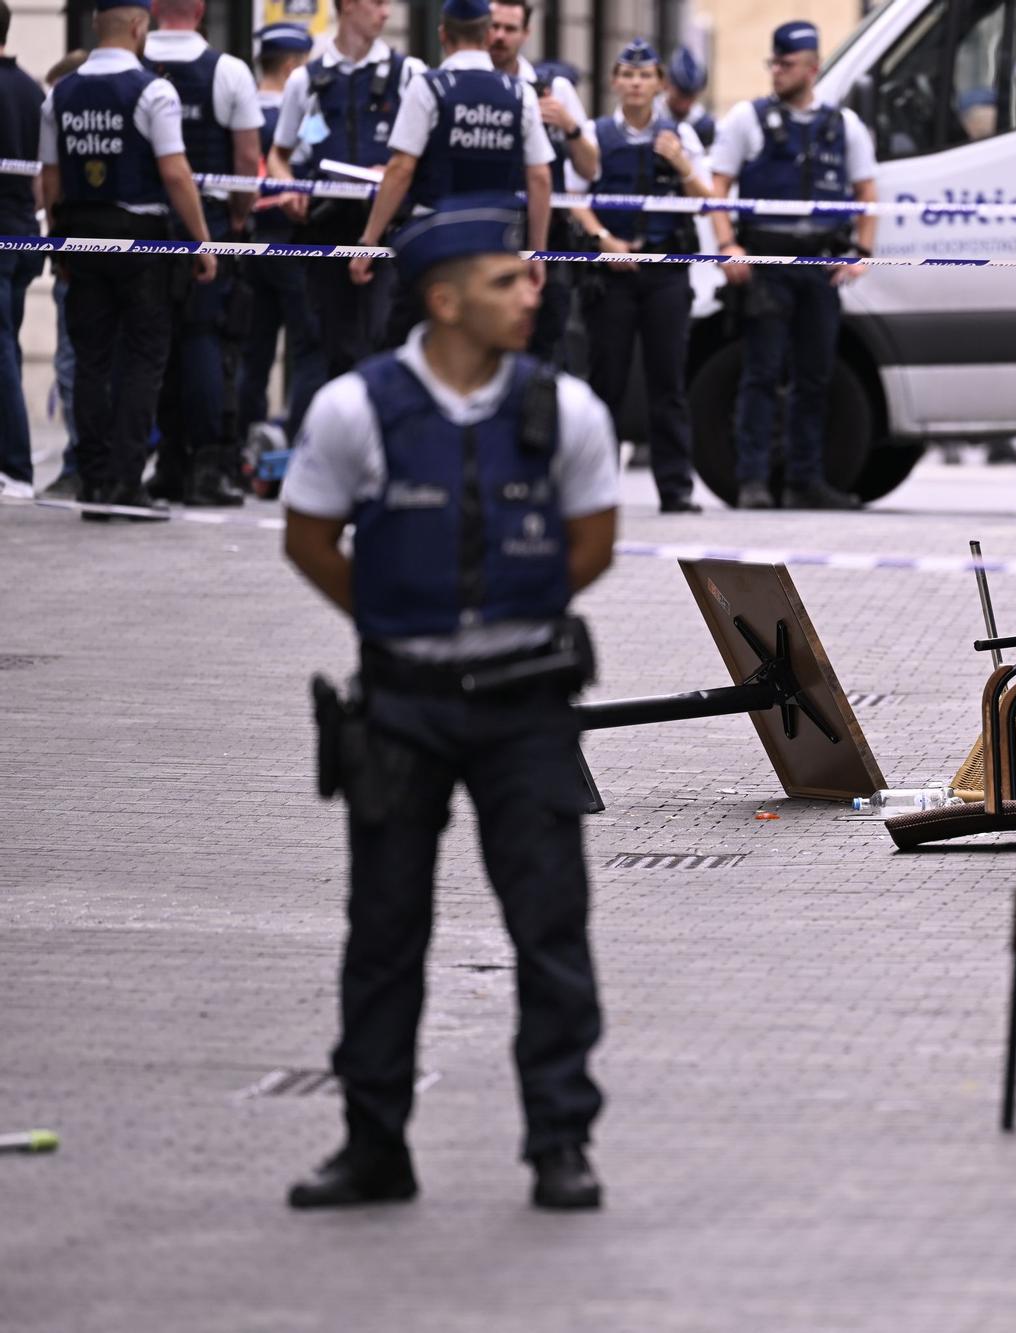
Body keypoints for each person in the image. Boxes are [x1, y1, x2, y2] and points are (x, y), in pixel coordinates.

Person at [281, 195, 617, 1213]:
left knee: (550, 925)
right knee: (383, 928)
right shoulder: (354, 408)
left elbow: (592, 542)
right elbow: (307, 540)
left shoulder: (565, 409)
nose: (533, 290)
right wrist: (396, 620)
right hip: (402, 706)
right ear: (443, 297)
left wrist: (510, 613)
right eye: (507, 279)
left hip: (526, 705)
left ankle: (560, 1139)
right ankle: (373, 1142)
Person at [41, 0, 217, 522]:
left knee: (91, 360)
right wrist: (202, 240)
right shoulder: (152, 90)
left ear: (96, 24)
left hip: (80, 238)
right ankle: (125, 480)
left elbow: (50, 181)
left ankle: (94, 481)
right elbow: (176, 173)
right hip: (142, 243)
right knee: (142, 362)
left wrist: (57, 244)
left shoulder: (61, 93)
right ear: (140, 27)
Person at [708, 20, 877, 511]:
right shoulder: (748, 119)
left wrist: (862, 254)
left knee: (816, 376)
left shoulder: (842, 126)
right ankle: (754, 481)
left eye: (786, 64)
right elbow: (717, 188)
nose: (776, 72)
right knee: (761, 372)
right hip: (767, 264)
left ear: (812, 68)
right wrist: (726, 247)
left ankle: (806, 480)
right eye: (773, 63)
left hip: (820, 266)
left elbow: (867, 193)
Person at [346, 0, 553, 336]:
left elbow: (400, 169)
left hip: (436, 239)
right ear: (487, 34)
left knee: (417, 342)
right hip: (497, 239)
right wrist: (538, 251)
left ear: (443, 34)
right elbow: (540, 176)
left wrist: (369, 241)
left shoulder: (428, 87)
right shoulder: (519, 93)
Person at [567, 39, 710, 514]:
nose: (635, 84)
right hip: (613, 274)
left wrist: (681, 164)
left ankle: (676, 489)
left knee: (667, 380)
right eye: (627, 75)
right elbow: (577, 198)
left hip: (666, 269)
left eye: (645, 75)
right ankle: (597, 488)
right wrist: (603, 239)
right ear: (614, 81)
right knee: (606, 379)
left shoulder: (680, 136)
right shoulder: (595, 134)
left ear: (659, 84)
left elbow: (704, 197)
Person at [266, 0, 426, 391]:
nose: (386, 13)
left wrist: (393, 173)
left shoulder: (409, 74)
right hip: (327, 231)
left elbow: (427, 155)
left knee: (385, 341)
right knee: (334, 349)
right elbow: (278, 155)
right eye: (377, 3)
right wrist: (289, 188)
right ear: (349, 6)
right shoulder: (307, 79)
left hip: (390, 233)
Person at [144, 0, 263, 508]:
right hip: (209, 221)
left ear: (151, 8)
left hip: (145, 222)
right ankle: (209, 464)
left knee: (152, 343)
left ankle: (168, 460)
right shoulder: (229, 71)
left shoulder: (132, 64)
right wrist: (237, 218)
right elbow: (246, 159)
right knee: (205, 341)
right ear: (201, 10)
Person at [485, 0, 593, 365]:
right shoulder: (467, 84)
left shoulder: (553, 90)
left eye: (510, 29)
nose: (499, 36)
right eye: (494, 26)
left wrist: (570, 126)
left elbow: (591, 169)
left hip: (547, 239)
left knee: (545, 345)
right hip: (484, 231)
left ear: (526, 34)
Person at [236, 21, 323, 459]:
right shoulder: (304, 120)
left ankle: (244, 441)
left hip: (252, 243)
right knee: (308, 346)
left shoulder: (243, 110)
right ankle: (295, 441)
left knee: (255, 350)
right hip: (295, 242)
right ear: (292, 69)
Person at [0, 0, 45, 494]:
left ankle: (14, 466)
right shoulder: (32, 90)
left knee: (1, 348)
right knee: (7, 343)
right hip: (22, 231)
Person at [41, 49, 87, 501]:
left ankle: (81, 460)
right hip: (99, 252)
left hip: (77, 254)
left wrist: (56, 243)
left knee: (74, 364)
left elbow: (47, 185)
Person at [657, 46, 713, 149]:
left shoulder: (705, 126)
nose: (685, 103)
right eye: (681, 95)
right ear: (666, 84)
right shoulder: (651, 115)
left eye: (691, 96)